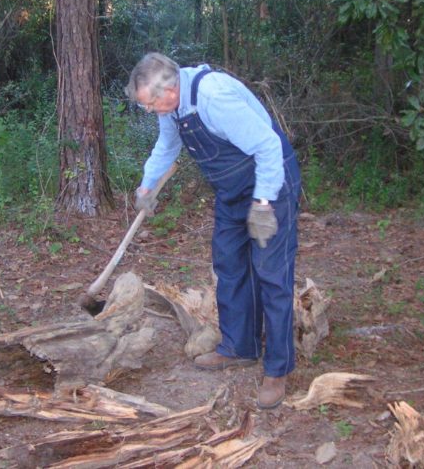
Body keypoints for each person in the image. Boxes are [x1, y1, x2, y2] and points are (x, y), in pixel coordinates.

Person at [126, 52, 300, 409]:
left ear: (170, 89)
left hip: (270, 182)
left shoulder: (213, 98)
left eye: (151, 104)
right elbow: (167, 147)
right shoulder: (172, 108)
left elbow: (267, 145)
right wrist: (147, 186)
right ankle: (240, 347)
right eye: (146, 106)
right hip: (231, 190)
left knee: (271, 272)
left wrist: (265, 202)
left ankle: (278, 369)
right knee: (229, 263)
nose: (151, 111)